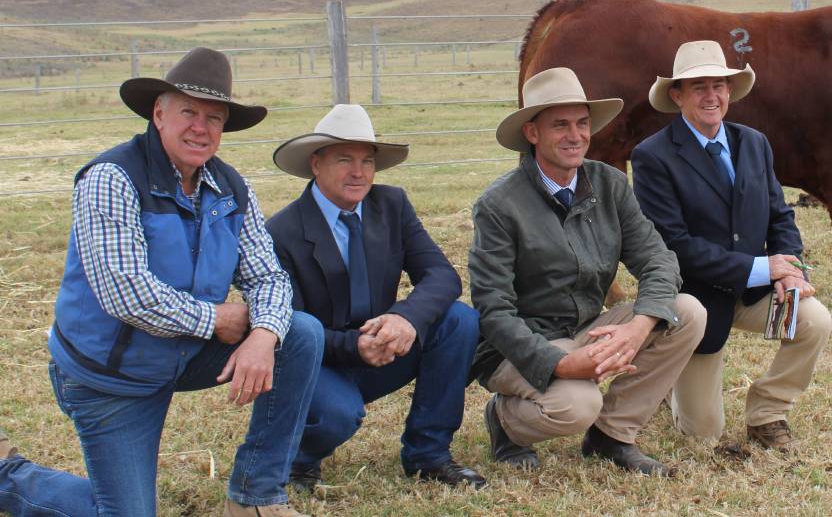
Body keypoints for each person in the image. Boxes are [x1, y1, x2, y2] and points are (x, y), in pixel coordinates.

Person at [0, 47, 323, 517]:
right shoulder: (111, 178)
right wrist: (217, 318)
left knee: (299, 333)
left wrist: (263, 334)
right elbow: (126, 293)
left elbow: (269, 275)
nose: (201, 127)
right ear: (159, 114)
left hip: (180, 353)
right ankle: (8, 475)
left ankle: (255, 498)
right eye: (189, 112)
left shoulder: (231, 188)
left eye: (214, 117)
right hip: (111, 376)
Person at [470, 67, 706, 476]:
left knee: (687, 313)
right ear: (532, 133)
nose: (575, 136)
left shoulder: (609, 184)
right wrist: (559, 365)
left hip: (586, 327)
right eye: (559, 125)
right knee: (578, 404)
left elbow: (659, 259)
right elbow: (493, 311)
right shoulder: (498, 205)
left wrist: (637, 327)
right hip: (523, 346)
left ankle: (612, 437)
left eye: (582, 124)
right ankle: (505, 421)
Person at [266, 105, 485, 489]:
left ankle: (428, 454)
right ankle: (298, 457)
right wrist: (355, 347)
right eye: (345, 159)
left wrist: (406, 319)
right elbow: (290, 327)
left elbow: (441, 275)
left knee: (459, 321)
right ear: (316, 164)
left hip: (383, 345)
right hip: (319, 360)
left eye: (368, 161)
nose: (359, 172)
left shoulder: (392, 205)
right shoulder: (282, 231)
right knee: (338, 414)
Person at [631, 40, 832, 453]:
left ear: (730, 91)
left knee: (815, 320)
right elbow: (675, 245)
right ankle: (671, 384)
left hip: (755, 290)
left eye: (719, 85)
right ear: (677, 95)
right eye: (699, 87)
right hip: (697, 303)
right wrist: (765, 268)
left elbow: (780, 215)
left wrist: (791, 270)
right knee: (702, 434)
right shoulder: (652, 157)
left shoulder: (754, 142)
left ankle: (767, 414)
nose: (712, 96)